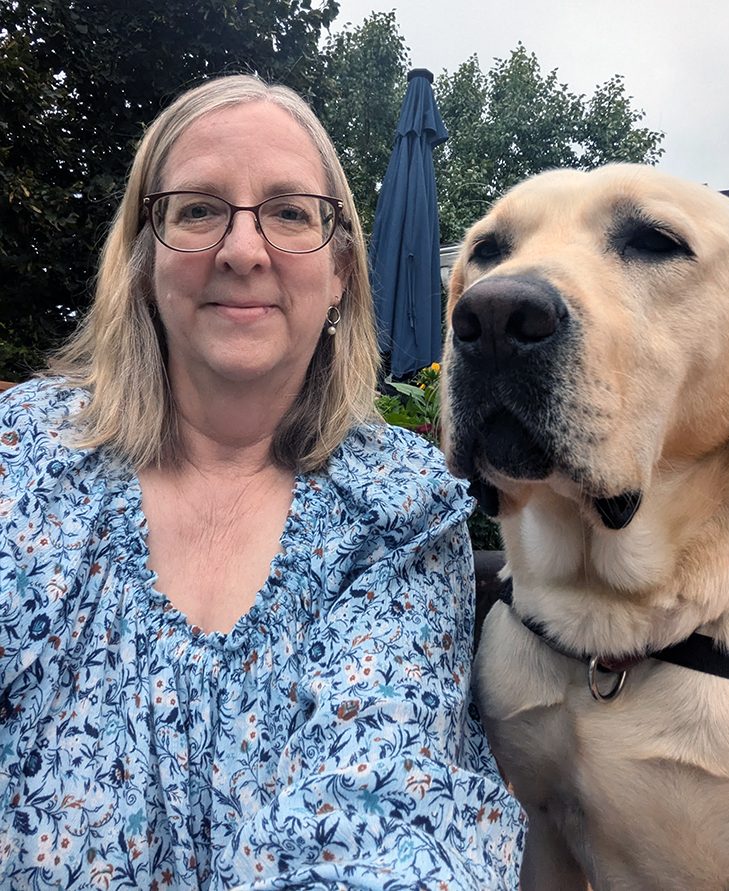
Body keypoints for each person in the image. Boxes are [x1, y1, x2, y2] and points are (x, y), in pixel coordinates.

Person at [0, 74, 524, 890]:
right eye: (199, 208)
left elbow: (382, 820)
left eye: (288, 212)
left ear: (343, 269)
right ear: (143, 261)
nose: (242, 251)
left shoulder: (399, 510)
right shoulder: (21, 459)